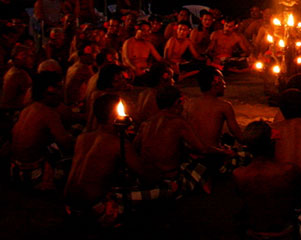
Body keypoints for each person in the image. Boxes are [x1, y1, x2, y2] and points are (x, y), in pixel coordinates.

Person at [233, 120, 301, 239]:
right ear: (272, 144)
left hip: (254, 232)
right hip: (285, 232)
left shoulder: (239, 174)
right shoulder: (288, 170)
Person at [134, 85, 227, 195]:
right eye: (182, 101)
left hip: (146, 177)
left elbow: (135, 148)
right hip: (168, 179)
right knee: (207, 164)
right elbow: (203, 149)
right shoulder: (178, 122)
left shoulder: (146, 123)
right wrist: (224, 152)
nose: (184, 105)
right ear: (177, 103)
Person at [64, 93, 140, 225]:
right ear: (113, 115)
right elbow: (146, 174)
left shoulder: (82, 138)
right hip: (95, 210)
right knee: (164, 191)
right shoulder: (117, 143)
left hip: (69, 206)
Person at [10, 71, 74, 190]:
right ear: (48, 91)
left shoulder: (28, 109)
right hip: (34, 174)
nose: (61, 93)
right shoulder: (49, 114)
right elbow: (67, 145)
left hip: (15, 170)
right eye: (59, 88)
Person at [1, 43, 34, 110]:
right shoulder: (19, 74)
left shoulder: (13, 70)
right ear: (22, 56)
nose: (32, 59)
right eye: (30, 56)